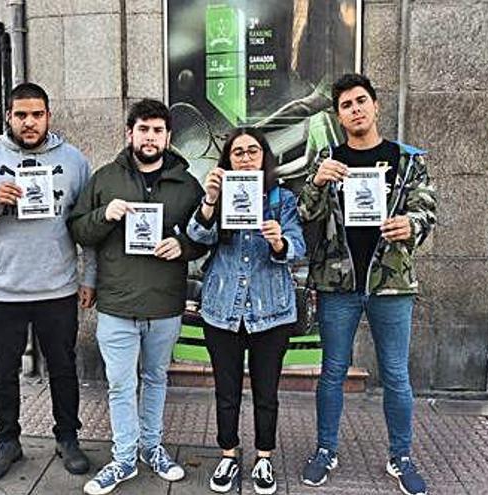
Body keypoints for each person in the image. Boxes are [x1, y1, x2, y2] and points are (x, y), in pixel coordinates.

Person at [0, 82, 96, 483]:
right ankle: (7, 442)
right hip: (1, 290)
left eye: (37, 114)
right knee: (1, 371)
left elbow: (88, 226)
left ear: (48, 116)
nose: (29, 123)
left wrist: (89, 277)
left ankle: (67, 437)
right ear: (8, 117)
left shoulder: (75, 161)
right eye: (21, 115)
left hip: (58, 289)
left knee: (64, 368)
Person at [297, 74, 436, 495]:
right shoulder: (328, 160)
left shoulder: (406, 159)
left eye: (361, 101)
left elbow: (426, 210)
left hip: (391, 282)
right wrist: (318, 181)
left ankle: (401, 456)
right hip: (338, 283)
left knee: (395, 375)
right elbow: (305, 213)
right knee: (332, 372)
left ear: (375, 106)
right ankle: (325, 450)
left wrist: (409, 224)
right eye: (346, 105)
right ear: (338, 116)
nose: (355, 109)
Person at [69, 99, 207, 495]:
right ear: (130, 133)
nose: (150, 137)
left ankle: (152, 448)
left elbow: (203, 235)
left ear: (168, 137)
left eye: (158, 130)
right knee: (120, 385)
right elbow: (78, 230)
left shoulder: (187, 183)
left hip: (164, 302)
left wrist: (182, 246)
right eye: (143, 129)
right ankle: (124, 457)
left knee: (156, 378)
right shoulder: (105, 179)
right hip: (116, 303)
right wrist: (104, 215)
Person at [187, 128, 306, 495]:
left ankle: (264, 458)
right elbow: (197, 239)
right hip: (222, 310)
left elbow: (298, 247)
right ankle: (228, 453)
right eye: (237, 152)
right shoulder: (218, 196)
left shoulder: (282, 199)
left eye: (252, 151)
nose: (244, 157)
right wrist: (209, 201)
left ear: (264, 157)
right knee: (226, 390)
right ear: (227, 160)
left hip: (271, 310)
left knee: (266, 391)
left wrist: (279, 240)